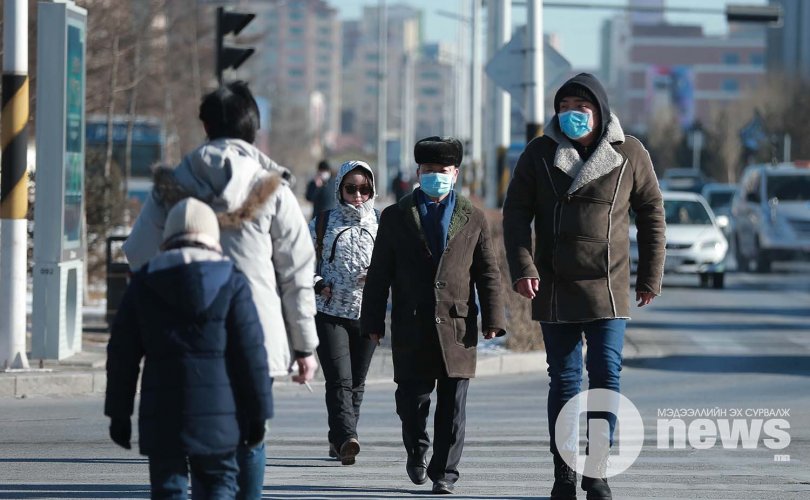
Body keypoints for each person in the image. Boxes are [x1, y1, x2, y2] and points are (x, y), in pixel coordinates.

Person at [122, 80, 319, 499]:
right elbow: (297, 274)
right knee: (251, 433)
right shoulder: (275, 191)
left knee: (187, 434)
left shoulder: (171, 186)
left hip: (182, 336)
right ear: (253, 129)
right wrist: (304, 346)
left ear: (206, 127)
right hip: (257, 335)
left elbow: (138, 253)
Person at [502, 73, 666, 500]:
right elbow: (516, 213)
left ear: (601, 110)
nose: (572, 113)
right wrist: (522, 266)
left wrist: (650, 275)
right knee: (565, 380)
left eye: (582, 106)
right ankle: (564, 473)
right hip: (552, 284)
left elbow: (651, 214)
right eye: (565, 105)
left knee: (606, 375)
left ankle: (597, 471)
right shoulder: (540, 153)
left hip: (608, 287)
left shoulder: (629, 153)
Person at [361, 136, 506, 495]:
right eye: (428, 171)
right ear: (417, 173)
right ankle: (417, 448)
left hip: (457, 325)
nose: (435, 177)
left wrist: (493, 318)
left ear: (455, 173)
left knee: (453, 407)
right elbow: (380, 273)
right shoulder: (396, 216)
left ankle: (445, 473)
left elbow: (487, 271)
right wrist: (373, 322)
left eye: (441, 171)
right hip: (412, 324)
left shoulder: (473, 217)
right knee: (412, 402)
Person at [105, 198, 273, 499]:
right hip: (220, 416)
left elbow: (122, 355)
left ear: (167, 237)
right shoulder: (231, 281)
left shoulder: (144, 283)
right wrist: (258, 414)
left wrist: (119, 414)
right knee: (219, 486)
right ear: (212, 236)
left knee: (168, 490)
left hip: (162, 413)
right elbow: (251, 354)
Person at [309, 160, 380, 466]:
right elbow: (300, 263)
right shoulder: (323, 222)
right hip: (329, 312)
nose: (358, 196)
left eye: (364, 189)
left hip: (367, 314)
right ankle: (347, 439)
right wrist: (318, 282)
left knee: (357, 382)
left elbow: (395, 267)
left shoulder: (381, 224)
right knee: (339, 380)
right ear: (340, 189)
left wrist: (377, 278)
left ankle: (339, 436)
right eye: (351, 188)